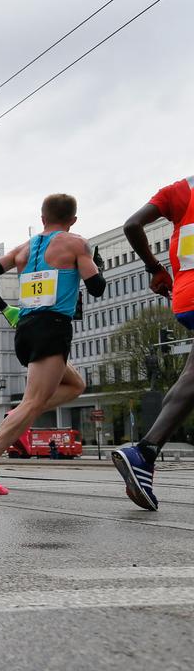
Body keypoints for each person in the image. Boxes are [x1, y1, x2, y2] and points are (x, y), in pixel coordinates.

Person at [0, 193, 104, 494]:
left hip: (25, 328)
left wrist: (5, 309)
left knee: (76, 384)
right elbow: (96, 287)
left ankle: (16, 416)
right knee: (33, 402)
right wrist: (95, 264)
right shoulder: (76, 243)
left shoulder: (23, 248)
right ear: (73, 220)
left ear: (42, 218)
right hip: (52, 328)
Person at [113, 175, 194, 510]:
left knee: (190, 377)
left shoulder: (184, 188)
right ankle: (144, 451)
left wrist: (155, 268)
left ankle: (144, 455)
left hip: (186, 296)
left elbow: (132, 224)